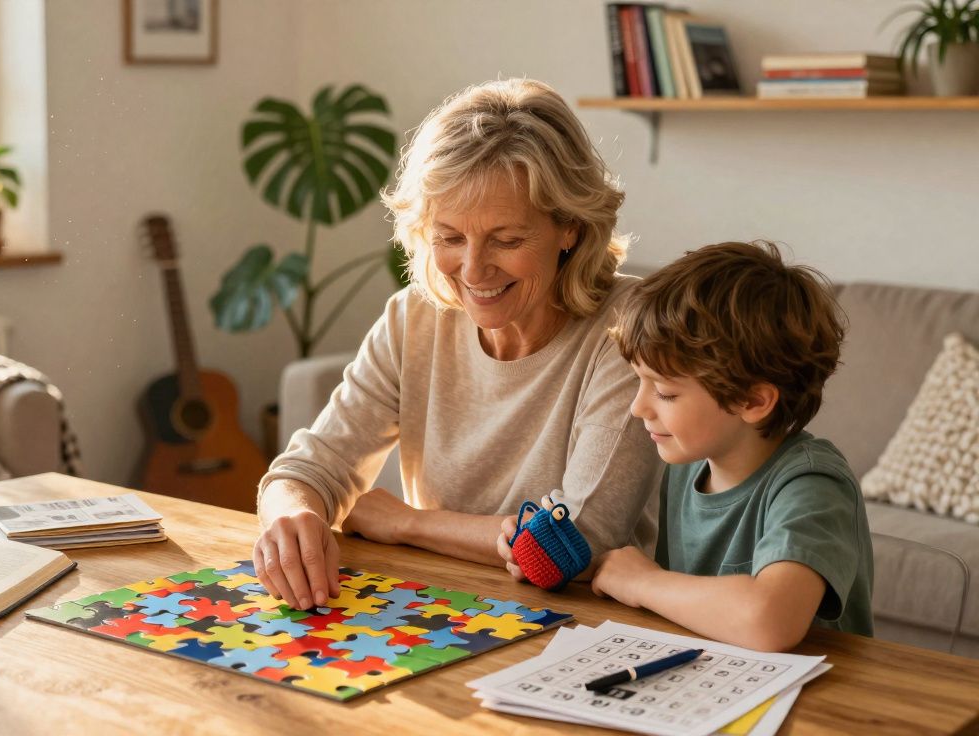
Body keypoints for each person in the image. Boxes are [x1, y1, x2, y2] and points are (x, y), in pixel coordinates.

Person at [253, 78, 663, 610]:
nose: (471, 270)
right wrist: (293, 515)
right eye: (449, 237)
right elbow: (310, 467)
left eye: (506, 239)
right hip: (434, 607)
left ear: (571, 229)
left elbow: (579, 540)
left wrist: (405, 522)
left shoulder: (630, 327)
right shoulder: (413, 317)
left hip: (580, 625)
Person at [588, 241, 874, 651]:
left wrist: (642, 581)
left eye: (666, 393)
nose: (638, 408)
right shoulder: (689, 463)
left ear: (752, 401)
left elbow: (769, 620)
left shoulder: (812, 485)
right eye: (639, 380)